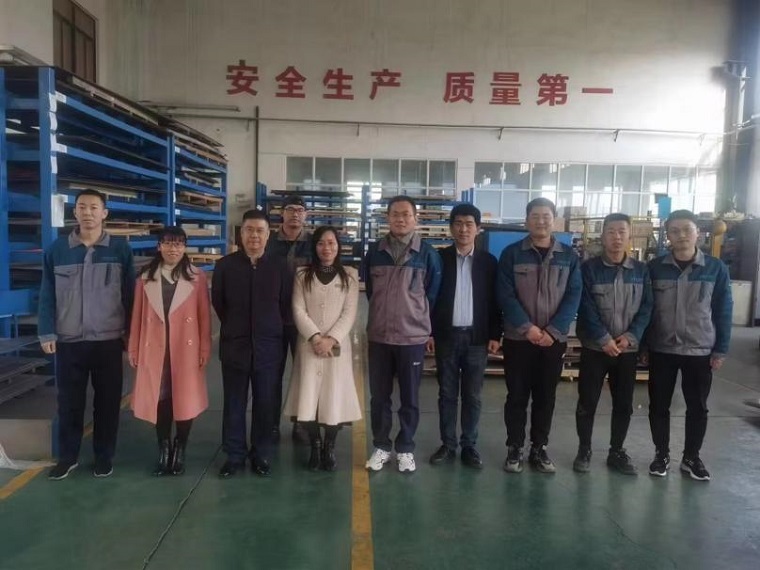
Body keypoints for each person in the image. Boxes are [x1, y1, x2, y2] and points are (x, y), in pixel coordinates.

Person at [38, 189, 135, 480]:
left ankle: (103, 457)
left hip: (108, 340)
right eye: (82, 207)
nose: (88, 212)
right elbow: (46, 294)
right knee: (69, 403)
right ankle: (68, 458)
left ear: (105, 213)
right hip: (69, 340)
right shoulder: (58, 250)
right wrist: (46, 332)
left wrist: (131, 333)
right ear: (75, 212)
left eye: (94, 207)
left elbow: (130, 295)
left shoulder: (119, 249)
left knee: (107, 403)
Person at [644, 210, 732, 481]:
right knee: (659, 405)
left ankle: (691, 457)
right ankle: (661, 455)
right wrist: (644, 346)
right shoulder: (655, 268)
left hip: (700, 350)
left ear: (698, 233)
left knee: (698, 407)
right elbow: (646, 309)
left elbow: (724, 310)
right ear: (668, 236)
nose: (681, 235)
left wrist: (721, 349)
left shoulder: (715, 268)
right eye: (675, 231)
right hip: (662, 349)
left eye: (687, 230)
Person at [498, 197, 581, 474]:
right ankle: (514, 447)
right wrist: (528, 328)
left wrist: (553, 331)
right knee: (517, 396)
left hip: (552, 342)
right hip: (518, 339)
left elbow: (573, 296)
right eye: (535, 216)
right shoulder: (512, 254)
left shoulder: (569, 257)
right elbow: (505, 294)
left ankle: (539, 448)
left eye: (546, 216)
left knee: (546, 397)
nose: (541, 221)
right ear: (526, 221)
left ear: (554, 220)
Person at [365, 195, 442, 473]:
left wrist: (415, 319)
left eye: (406, 214)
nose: (401, 219)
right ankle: (381, 446)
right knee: (379, 397)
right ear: (387, 218)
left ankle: (406, 447)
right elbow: (371, 292)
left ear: (415, 218)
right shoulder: (374, 252)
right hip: (380, 337)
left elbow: (432, 295)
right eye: (395, 214)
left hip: (412, 339)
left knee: (410, 398)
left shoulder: (428, 255)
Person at [212, 209, 290, 477]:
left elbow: (285, 305)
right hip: (235, 346)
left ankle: (261, 453)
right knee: (234, 403)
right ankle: (234, 455)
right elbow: (219, 304)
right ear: (241, 234)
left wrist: (269, 329)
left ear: (268, 235)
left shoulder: (280, 266)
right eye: (249, 230)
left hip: (269, 347)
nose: (254, 235)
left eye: (260, 230)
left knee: (265, 402)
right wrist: (237, 328)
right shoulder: (225, 266)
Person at [128, 227, 212, 476]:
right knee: (160, 398)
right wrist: (133, 347)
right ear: (159, 246)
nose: (173, 249)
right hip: (154, 348)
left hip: (185, 349)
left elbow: (204, 317)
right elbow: (137, 316)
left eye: (178, 244)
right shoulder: (145, 278)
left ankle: (180, 446)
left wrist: (204, 347)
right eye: (167, 243)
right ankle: (163, 446)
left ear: (185, 248)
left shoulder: (197, 277)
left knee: (185, 399)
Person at [573, 213, 653, 475]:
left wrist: (631, 336)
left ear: (629, 235)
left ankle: (616, 451)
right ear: (603, 235)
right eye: (611, 232)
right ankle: (584, 449)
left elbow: (647, 307)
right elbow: (585, 306)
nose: (616, 237)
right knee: (587, 401)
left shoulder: (641, 271)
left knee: (623, 404)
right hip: (595, 349)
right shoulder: (588, 269)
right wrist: (603, 338)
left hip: (627, 350)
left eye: (621, 232)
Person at [427, 204, 501, 469]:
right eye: (458, 223)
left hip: (477, 339)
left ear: (478, 229)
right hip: (446, 337)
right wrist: (430, 332)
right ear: (451, 228)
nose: (463, 229)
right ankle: (448, 444)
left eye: (469, 224)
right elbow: (429, 299)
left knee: (473, 395)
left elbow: (496, 301)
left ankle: (469, 445)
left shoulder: (488, 263)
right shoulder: (439, 259)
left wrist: (495, 334)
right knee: (447, 393)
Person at [283, 226, 362, 471]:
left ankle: (330, 446)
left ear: (338, 246)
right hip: (309, 345)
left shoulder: (350, 275)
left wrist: (331, 339)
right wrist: (316, 337)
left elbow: (349, 313)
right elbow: (298, 309)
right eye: (321, 243)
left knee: (333, 397)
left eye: (331, 243)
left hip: (337, 348)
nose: (326, 248)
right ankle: (315, 445)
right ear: (314, 247)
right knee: (307, 397)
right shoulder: (302, 274)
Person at [265, 194, 312, 444]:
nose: (295, 214)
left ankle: (301, 423)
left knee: (304, 375)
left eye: (300, 210)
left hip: (304, 321)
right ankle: (271, 424)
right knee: (271, 375)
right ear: (281, 213)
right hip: (273, 319)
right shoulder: (268, 242)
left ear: (306, 215)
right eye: (290, 209)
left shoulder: (314, 244)